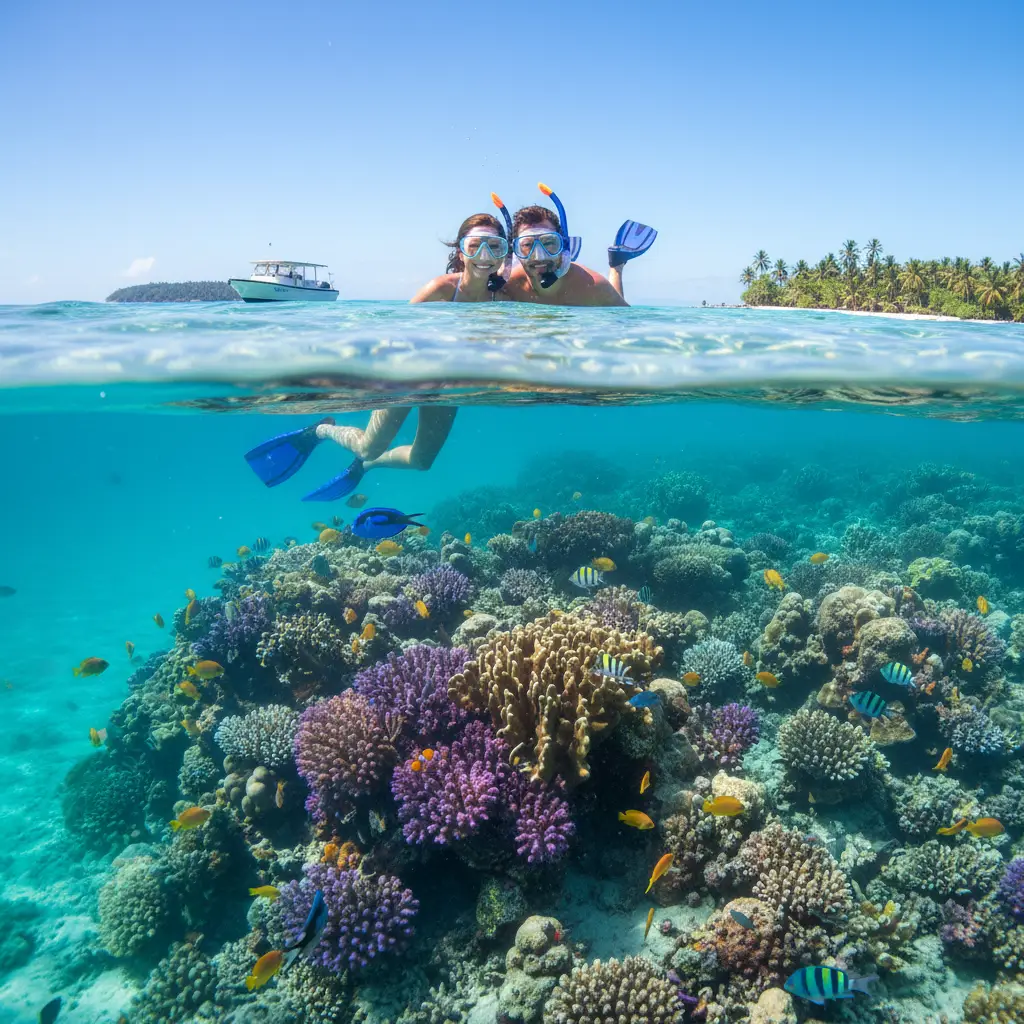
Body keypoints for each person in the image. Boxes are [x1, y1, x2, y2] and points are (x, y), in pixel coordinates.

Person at [503, 184, 657, 306]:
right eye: (527, 245)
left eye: (549, 243)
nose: (539, 256)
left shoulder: (593, 285)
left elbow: (620, 321)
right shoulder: (509, 285)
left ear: (563, 245)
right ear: (515, 251)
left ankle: (616, 266)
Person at [410, 211, 513, 302]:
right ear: (460, 253)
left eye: (494, 246)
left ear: (502, 255)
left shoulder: (503, 298)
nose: (484, 256)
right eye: (474, 245)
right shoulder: (440, 289)